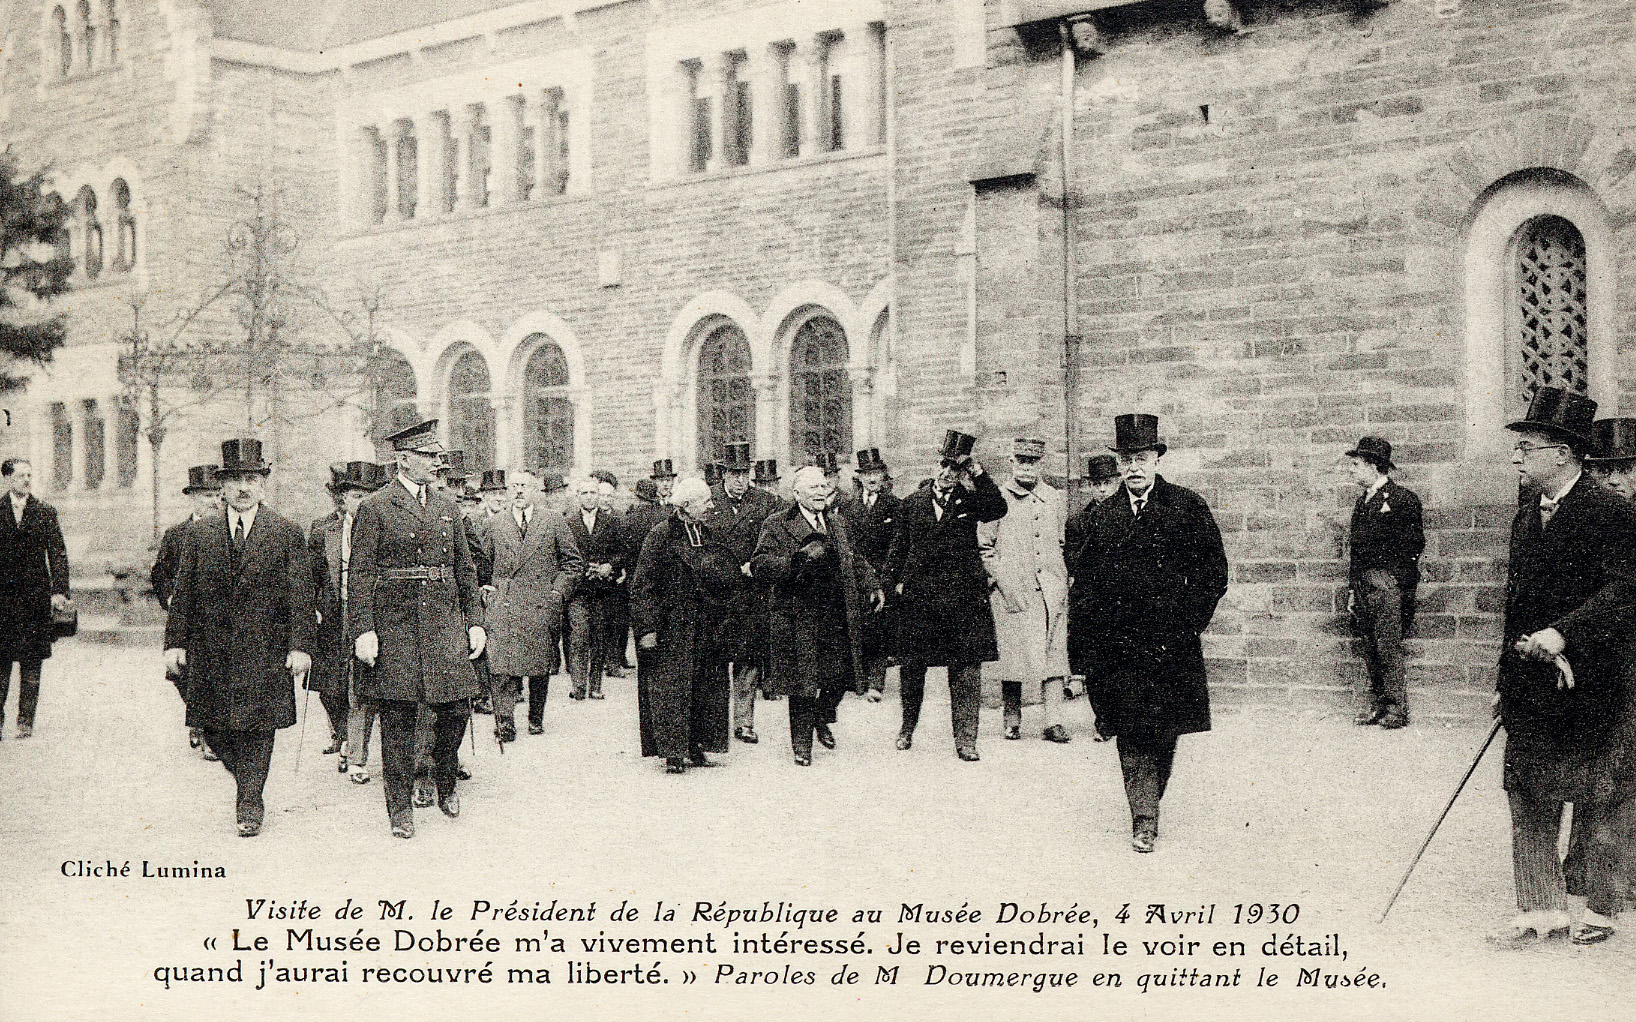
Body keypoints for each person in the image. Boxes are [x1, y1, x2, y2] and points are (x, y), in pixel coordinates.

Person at [1490, 388, 1636, 947]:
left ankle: (1600, 905)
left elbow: (1627, 590)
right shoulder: (1527, 514)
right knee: (1525, 789)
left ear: (1561, 454)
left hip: (1595, 679)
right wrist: (1504, 677)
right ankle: (1541, 907)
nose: (1516, 458)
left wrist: (1565, 632)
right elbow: (1516, 602)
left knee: (1602, 791)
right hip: (1530, 680)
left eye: (1525, 448)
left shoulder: (1611, 513)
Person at [1069, 414, 1228, 853]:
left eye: (1142, 458)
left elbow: (1213, 575)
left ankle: (1148, 802)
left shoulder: (1187, 507)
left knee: (1165, 733)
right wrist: (1082, 657)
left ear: (1156, 460)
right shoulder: (1102, 519)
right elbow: (1084, 590)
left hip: (1172, 644)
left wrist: (1188, 624)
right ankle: (1143, 819)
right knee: (1131, 731)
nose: (1134, 467)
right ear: (1118, 464)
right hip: (1118, 649)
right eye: (1126, 459)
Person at [161, 439, 314, 837]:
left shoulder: (286, 532)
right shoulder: (200, 535)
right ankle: (245, 780)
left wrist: (300, 646)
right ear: (223, 488)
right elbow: (185, 593)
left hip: (266, 648)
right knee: (214, 725)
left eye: (251, 479)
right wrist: (174, 642)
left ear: (263, 485)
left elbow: (301, 594)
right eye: (235, 481)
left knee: (260, 726)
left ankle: (250, 799)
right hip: (211, 649)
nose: (243, 488)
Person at [349, 420, 486, 839]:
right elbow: (360, 573)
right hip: (397, 623)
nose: (436, 462)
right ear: (403, 459)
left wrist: (475, 621)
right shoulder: (376, 506)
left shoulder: (447, 504)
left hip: (444, 619)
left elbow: (465, 566)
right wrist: (364, 630)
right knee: (398, 717)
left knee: (455, 709)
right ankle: (400, 809)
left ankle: (444, 782)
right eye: (428, 456)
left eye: (437, 455)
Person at [883, 430, 1008, 760]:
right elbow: (897, 550)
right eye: (944, 465)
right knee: (912, 669)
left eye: (955, 468)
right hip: (920, 600)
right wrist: (889, 587)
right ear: (936, 466)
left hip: (963, 599)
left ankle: (966, 741)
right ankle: (907, 728)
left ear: (962, 472)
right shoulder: (913, 503)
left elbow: (997, 507)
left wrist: (978, 472)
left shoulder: (970, 500)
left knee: (966, 671)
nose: (947, 473)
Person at [752, 467, 884, 765]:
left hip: (836, 615)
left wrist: (872, 582)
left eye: (824, 486)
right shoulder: (777, 523)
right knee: (803, 683)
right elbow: (760, 564)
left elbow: (854, 557)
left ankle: (821, 716)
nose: (821, 492)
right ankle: (802, 747)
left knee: (839, 676)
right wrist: (797, 560)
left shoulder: (837, 522)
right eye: (813, 487)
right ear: (796, 493)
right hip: (800, 615)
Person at [629, 477, 735, 773]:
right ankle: (673, 751)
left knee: (705, 686)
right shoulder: (660, 535)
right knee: (671, 689)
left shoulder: (710, 533)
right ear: (687, 506)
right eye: (706, 502)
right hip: (670, 629)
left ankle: (697, 744)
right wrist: (647, 630)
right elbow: (642, 587)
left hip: (706, 626)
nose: (712, 506)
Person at [980, 438, 1071, 743]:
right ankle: (1012, 719)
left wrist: (1060, 581)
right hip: (1011, 591)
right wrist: (1002, 581)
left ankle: (1054, 721)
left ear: (1042, 464)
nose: (1027, 467)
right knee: (1013, 657)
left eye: (1033, 462)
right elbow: (984, 548)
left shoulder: (1055, 499)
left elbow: (1060, 543)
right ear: (1012, 462)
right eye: (1022, 461)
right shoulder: (996, 498)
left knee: (1054, 656)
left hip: (1050, 590)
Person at [480, 468, 582, 742]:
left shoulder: (553, 521)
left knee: (539, 665)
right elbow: (480, 565)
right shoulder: (494, 524)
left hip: (540, 603)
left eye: (524, 485)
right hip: (504, 604)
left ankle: (536, 717)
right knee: (500, 665)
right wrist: (486, 589)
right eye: (514, 486)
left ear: (535, 489)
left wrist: (557, 593)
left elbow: (573, 564)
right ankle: (504, 722)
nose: (519, 491)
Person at [1344, 436, 1425, 729]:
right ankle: (1378, 705)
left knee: (1387, 646)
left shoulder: (1403, 499)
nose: (1350, 470)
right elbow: (1356, 552)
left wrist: (1394, 584)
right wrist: (1354, 589)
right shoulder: (1362, 501)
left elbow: (1414, 546)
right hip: (1365, 584)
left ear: (1373, 466)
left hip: (1387, 585)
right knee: (1370, 647)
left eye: (1355, 464)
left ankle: (1396, 709)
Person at [704, 443, 781, 744]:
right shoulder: (707, 500)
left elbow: (776, 538)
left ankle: (744, 721)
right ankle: (713, 724)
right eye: (733, 473)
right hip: (716, 593)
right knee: (715, 659)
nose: (739, 479)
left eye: (744, 473)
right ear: (723, 473)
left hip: (752, 594)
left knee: (749, 659)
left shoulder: (766, 502)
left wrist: (759, 563)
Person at [152, 463, 221, 757]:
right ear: (192, 498)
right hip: (187, 620)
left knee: (213, 676)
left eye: (218, 494)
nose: (214, 501)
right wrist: (169, 598)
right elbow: (160, 572)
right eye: (207, 495)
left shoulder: (227, 531)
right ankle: (198, 721)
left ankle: (208, 732)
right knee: (184, 675)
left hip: (216, 618)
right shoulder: (177, 534)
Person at [0, 458, 70, 741]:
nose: (26, 480)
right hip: (2, 603)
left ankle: (25, 720)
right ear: (7, 478)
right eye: (20, 475)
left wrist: (59, 591)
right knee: (1, 664)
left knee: (31, 663)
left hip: (34, 600)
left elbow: (58, 554)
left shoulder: (44, 512)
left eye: (29, 475)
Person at [308, 463, 371, 765]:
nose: (360, 502)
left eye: (366, 496)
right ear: (343, 498)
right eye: (355, 496)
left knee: (360, 681)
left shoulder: (377, 528)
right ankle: (341, 732)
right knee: (329, 684)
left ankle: (354, 744)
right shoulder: (323, 531)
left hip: (368, 613)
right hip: (333, 614)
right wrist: (312, 607)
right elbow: (309, 575)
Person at [837, 448, 901, 703]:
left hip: (884, 574)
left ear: (884, 476)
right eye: (867, 473)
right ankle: (858, 679)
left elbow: (898, 545)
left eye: (876, 473)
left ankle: (876, 682)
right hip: (855, 576)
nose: (872, 478)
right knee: (857, 625)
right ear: (860, 478)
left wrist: (887, 578)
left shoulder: (895, 506)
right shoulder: (848, 507)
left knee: (880, 628)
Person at [1065, 453, 1122, 714]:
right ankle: (1102, 719)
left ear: (1117, 482)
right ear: (1089, 486)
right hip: (1091, 599)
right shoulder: (1079, 520)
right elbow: (1073, 560)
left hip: (1121, 599)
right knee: (1095, 664)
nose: (1102, 489)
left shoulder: (1130, 515)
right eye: (1097, 484)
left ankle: (1119, 716)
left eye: (1107, 483)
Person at [564, 474, 626, 701]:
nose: (589, 497)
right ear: (577, 496)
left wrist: (611, 565)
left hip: (602, 590)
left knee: (599, 636)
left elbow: (623, 552)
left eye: (593, 492)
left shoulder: (612, 522)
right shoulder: (568, 522)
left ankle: (596, 685)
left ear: (599, 496)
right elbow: (562, 555)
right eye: (584, 493)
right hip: (578, 590)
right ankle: (578, 685)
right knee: (579, 635)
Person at [592, 471, 635, 678]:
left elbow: (625, 549)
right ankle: (599, 662)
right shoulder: (589, 518)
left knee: (617, 622)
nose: (606, 500)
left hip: (616, 578)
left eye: (610, 496)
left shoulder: (620, 518)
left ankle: (614, 661)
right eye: (602, 495)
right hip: (594, 579)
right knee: (598, 623)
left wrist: (618, 567)